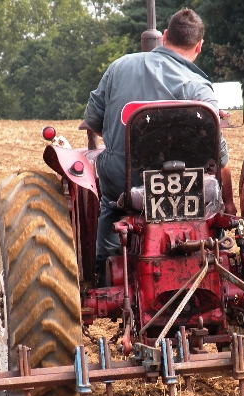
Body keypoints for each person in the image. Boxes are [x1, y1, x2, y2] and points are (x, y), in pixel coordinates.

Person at [84, 8, 235, 280]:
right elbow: (217, 153)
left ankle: (103, 264)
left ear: (165, 37)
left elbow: (94, 120)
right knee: (215, 198)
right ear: (199, 46)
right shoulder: (199, 87)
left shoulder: (119, 67)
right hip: (187, 188)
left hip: (126, 184)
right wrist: (231, 203)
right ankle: (214, 255)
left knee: (109, 198)